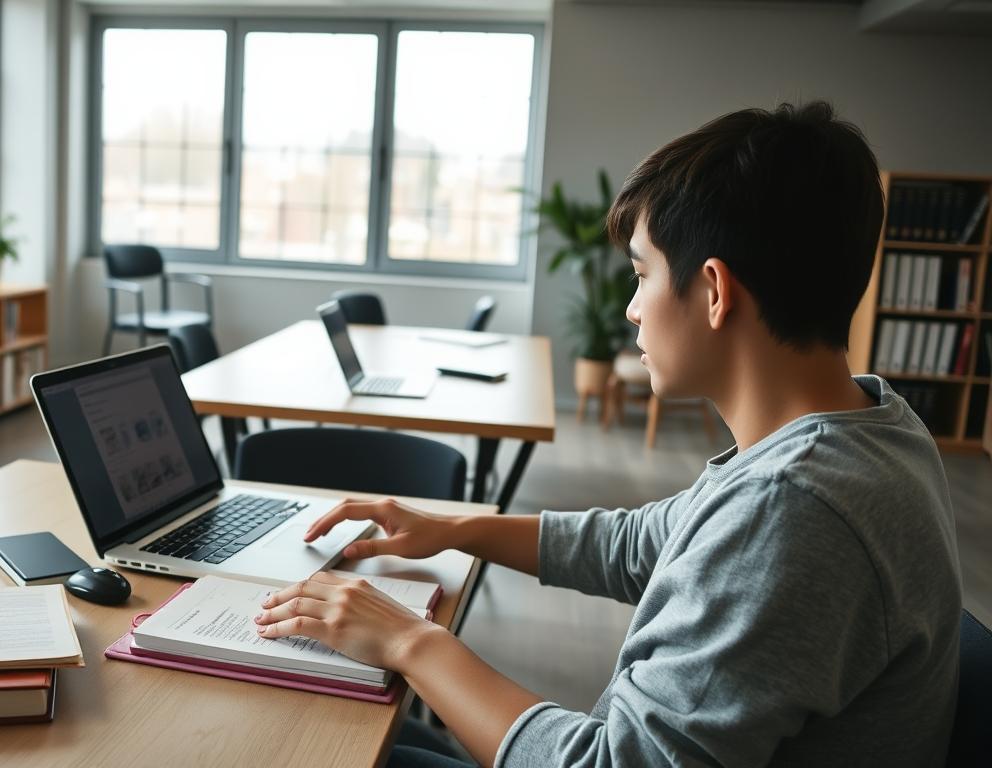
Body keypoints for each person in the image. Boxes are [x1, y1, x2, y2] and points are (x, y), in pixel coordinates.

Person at [253, 101, 962, 767]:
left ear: (714, 292)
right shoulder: (874, 426)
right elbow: (646, 545)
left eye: (641, 274)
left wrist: (410, 640)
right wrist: (457, 529)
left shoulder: (793, 508)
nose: (629, 309)